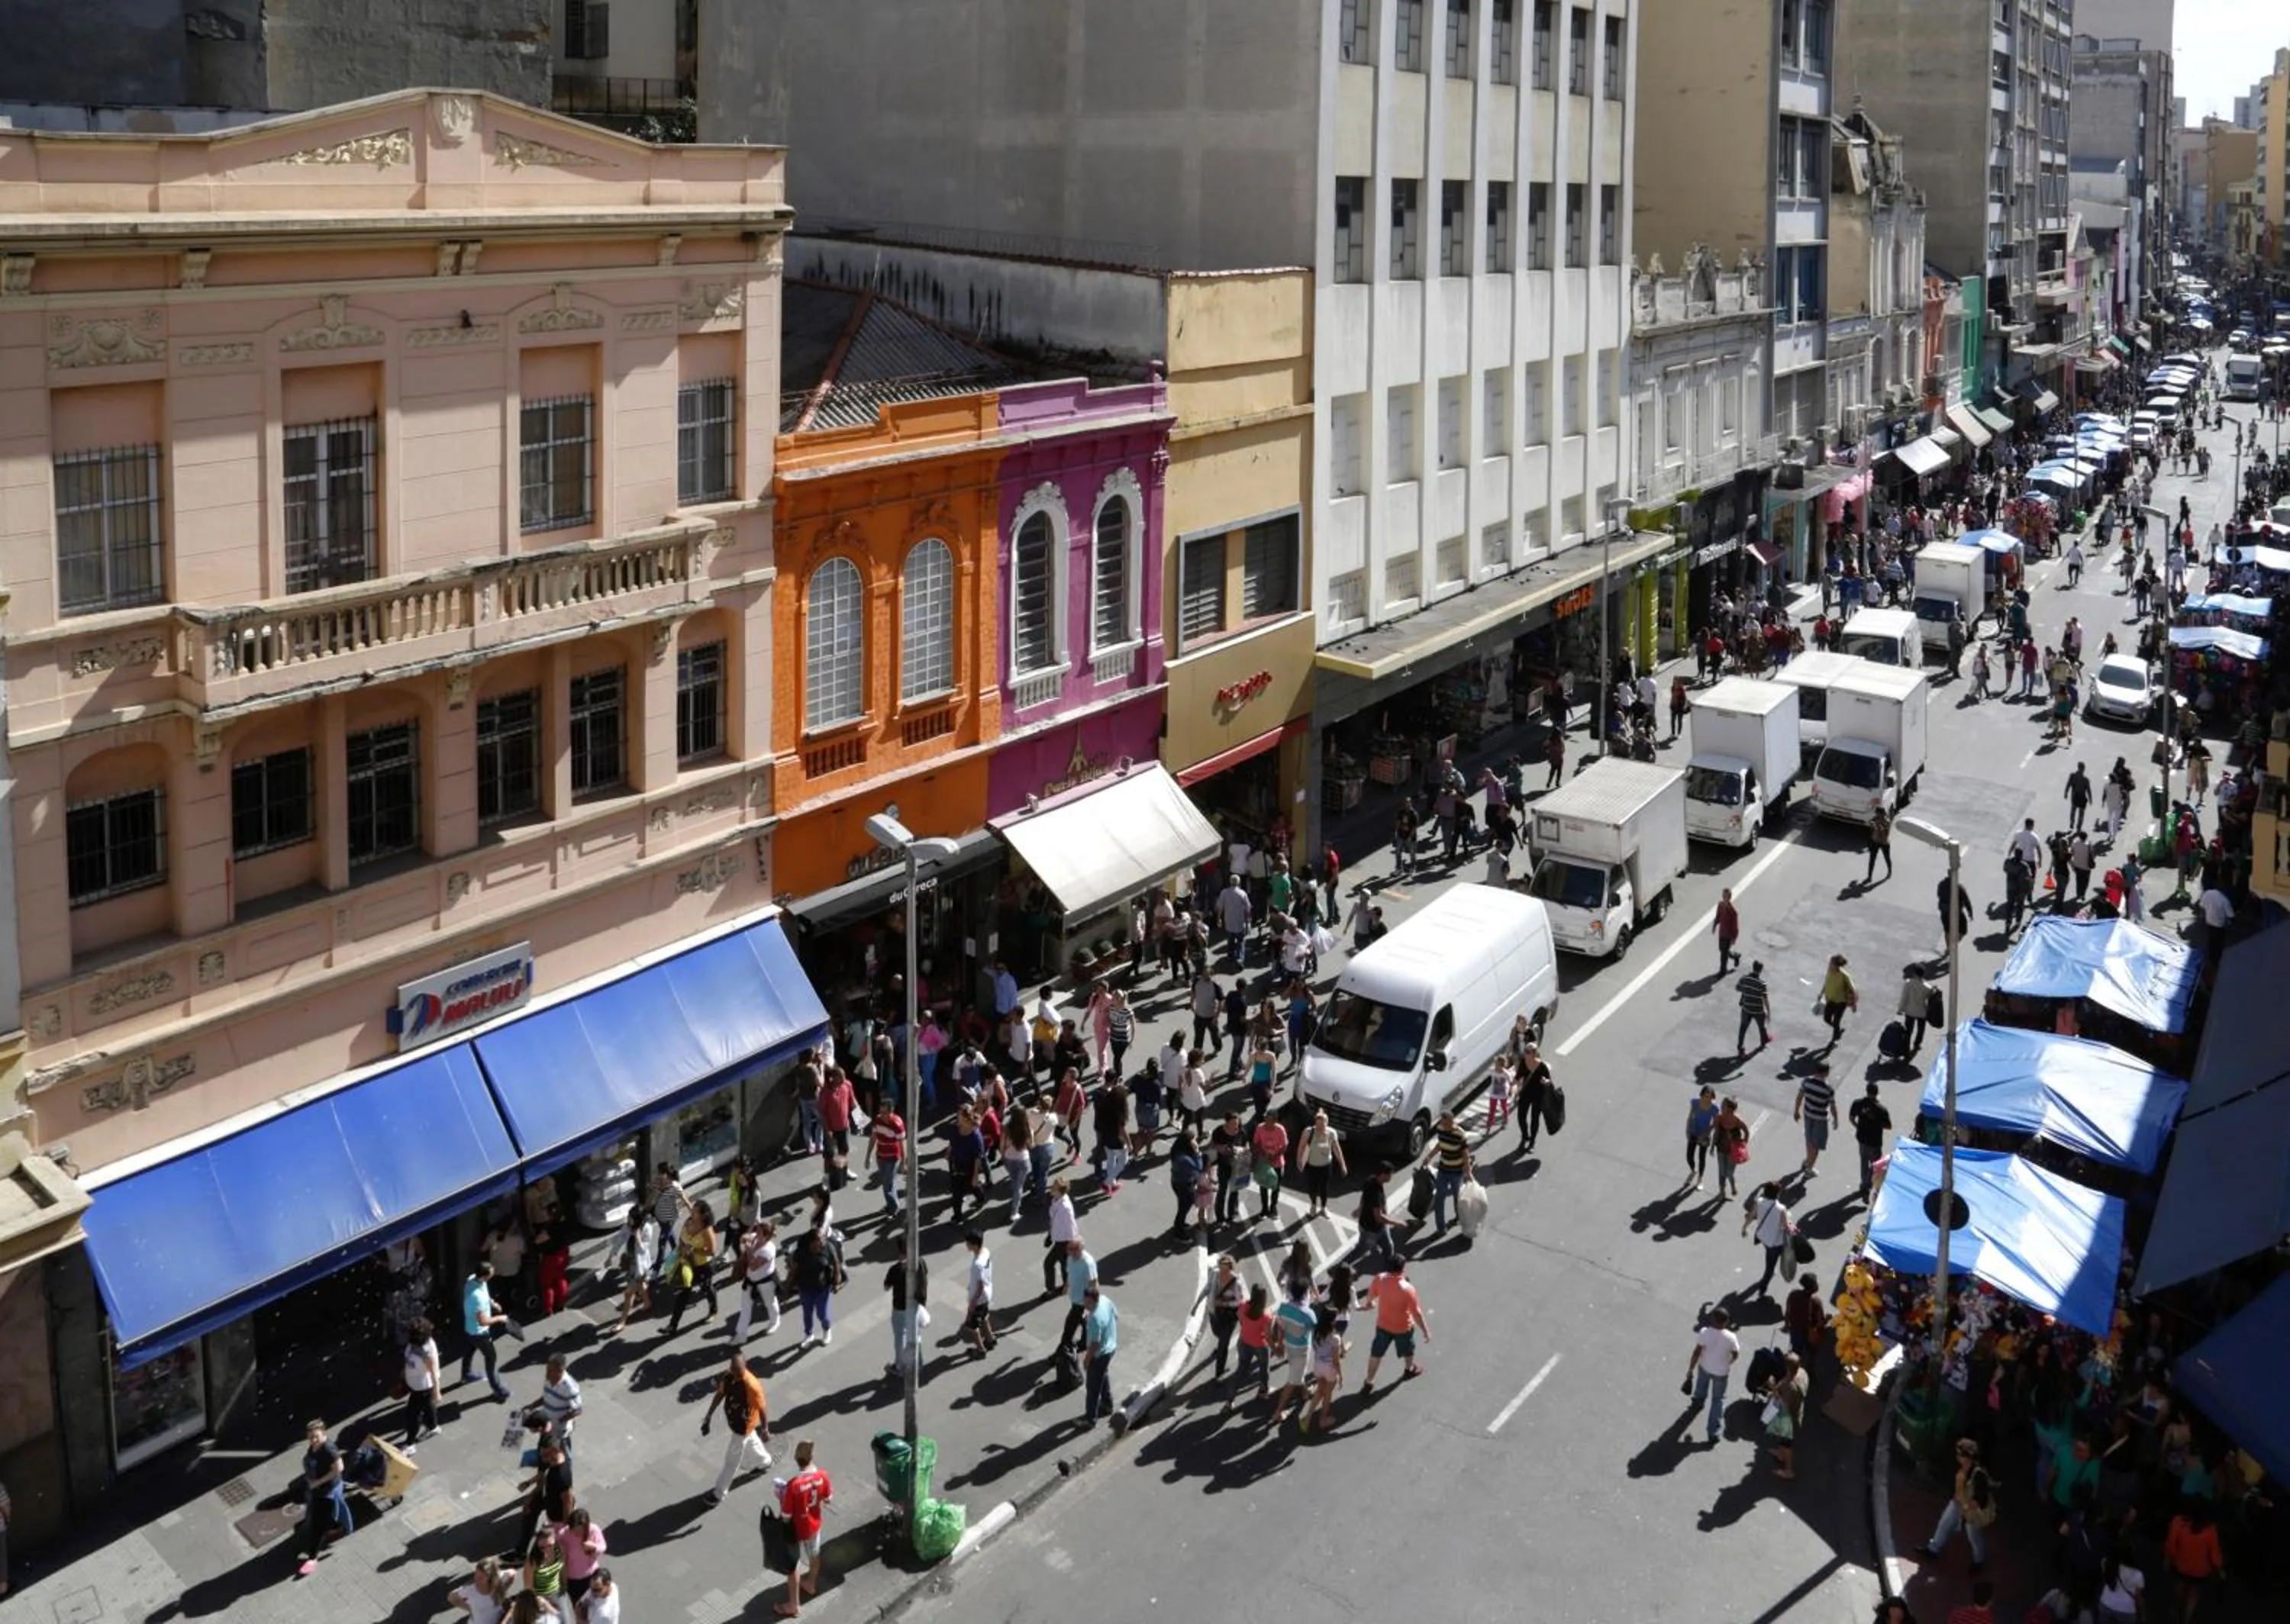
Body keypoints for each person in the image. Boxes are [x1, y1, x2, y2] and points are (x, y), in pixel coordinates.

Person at [700, 1352, 772, 1503]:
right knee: (752, 1440)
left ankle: (719, 1494)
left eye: (738, 1372)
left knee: (731, 1461)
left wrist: (765, 1429)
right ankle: (765, 1461)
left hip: (743, 1426)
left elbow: (762, 1408)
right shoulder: (728, 1376)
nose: (736, 1375)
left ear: (745, 1367)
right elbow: (720, 1394)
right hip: (736, 1422)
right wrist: (708, 1416)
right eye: (733, 1371)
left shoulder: (752, 1386)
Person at [1919, 1439, 1997, 1568]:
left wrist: (1966, 1508)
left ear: (1968, 1457)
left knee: (1974, 1537)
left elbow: (1981, 1500)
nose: (1957, 1457)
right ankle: (1933, 1550)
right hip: (1958, 1502)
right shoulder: (1962, 1468)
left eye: (1960, 1454)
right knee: (1944, 1523)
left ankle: (1979, 1560)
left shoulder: (1978, 1475)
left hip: (1971, 1511)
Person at [294, 1418, 353, 1577]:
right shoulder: (316, 1445)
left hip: (327, 1491)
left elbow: (340, 1467)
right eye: (310, 1436)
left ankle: (313, 1558)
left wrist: (318, 1482)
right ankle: (335, 1527)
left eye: (316, 1436)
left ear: (324, 1434)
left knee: (318, 1527)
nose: (313, 1440)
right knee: (321, 1517)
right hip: (317, 1489)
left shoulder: (329, 1449)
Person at [1363, 1256, 1431, 1386]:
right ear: (1403, 1268)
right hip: (1403, 1328)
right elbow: (1416, 1313)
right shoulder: (1408, 1289)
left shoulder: (1380, 1278)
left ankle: (1369, 1381)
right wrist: (1425, 1331)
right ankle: (1409, 1369)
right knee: (1408, 1350)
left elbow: (1371, 1295)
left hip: (1383, 1325)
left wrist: (1370, 1303)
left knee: (1376, 1353)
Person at [460, 1261, 514, 1403]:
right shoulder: (477, 1298)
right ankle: (498, 1390)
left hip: (469, 1328)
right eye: (492, 1271)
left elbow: (485, 1292)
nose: (494, 1271)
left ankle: (466, 1375)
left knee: (469, 1350)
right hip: (480, 1333)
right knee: (491, 1359)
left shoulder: (473, 1279)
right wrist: (500, 1318)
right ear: (484, 1276)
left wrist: (492, 1303)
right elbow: (483, 1321)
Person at [1685, 1307, 1740, 1446]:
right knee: (1718, 1400)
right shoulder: (1731, 1337)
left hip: (1705, 1367)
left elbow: (1697, 1352)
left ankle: (1697, 1403)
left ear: (1713, 1319)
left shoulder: (1705, 1332)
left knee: (1701, 1385)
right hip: (1721, 1372)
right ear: (1726, 1322)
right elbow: (1735, 1354)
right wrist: (1728, 1363)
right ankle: (1713, 1433)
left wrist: (1690, 1369)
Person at [1741, 1181, 1794, 1297]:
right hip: (1776, 1242)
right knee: (1770, 1268)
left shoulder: (1759, 1202)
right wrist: (1791, 1224)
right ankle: (1762, 1287)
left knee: (1770, 1261)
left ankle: (1771, 1272)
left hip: (1764, 1238)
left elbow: (1751, 1216)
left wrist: (1744, 1228)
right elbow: (1787, 1227)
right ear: (1778, 1194)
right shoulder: (1781, 1208)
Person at [883, 1244, 927, 1378]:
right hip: (915, 1306)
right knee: (915, 1334)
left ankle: (900, 1366)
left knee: (900, 1338)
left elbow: (886, 1286)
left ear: (901, 1253)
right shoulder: (920, 1262)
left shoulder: (896, 1269)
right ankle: (918, 1363)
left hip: (900, 1308)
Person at [1080, 1281, 1121, 1426]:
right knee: (1102, 1375)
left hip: (1100, 1354)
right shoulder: (1105, 1300)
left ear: (1093, 1300)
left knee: (1092, 1388)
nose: (1084, 1304)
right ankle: (1107, 1404)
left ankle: (1090, 1419)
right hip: (1111, 1347)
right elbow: (1115, 1316)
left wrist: (1086, 1360)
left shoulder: (1094, 1319)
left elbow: (1095, 1344)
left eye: (1087, 1302)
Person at [1763, 1351, 1807, 1480]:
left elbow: (1784, 1405)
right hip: (1797, 1413)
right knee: (1782, 1440)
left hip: (1788, 1420)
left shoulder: (1790, 1386)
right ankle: (1780, 1453)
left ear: (1787, 1368)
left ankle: (1789, 1470)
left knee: (1788, 1444)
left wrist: (1773, 1388)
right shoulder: (1802, 1374)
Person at [1849, 1081, 1893, 1202]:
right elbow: (1889, 1126)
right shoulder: (1881, 1109)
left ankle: (1864, 1184)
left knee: (1864, 1162)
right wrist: (1876, 1120)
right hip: (1875, 1142)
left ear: (1867, 1091)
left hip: (1862, 1139)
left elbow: (1851, 1117)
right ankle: (1872, 1185)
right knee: (1876, 1165)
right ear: (1877, 1093)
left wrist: (1858, 1127)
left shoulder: (1858, 1103)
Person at [1793, 1061, 1837, 1179]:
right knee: (1816, 1144)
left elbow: (1800, 1097)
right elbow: (1832, 1106)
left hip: (1808, 1114)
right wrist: (1836, 1118)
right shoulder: (1828, 1089)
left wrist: (1796, 1111)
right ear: (1826, 1072)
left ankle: (1808, 1160)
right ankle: (1809, 1168)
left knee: (1809, 1139)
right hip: (1820, 1118)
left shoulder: (1807, 1082)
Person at [402, 1315, 441, 1444]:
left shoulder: (426, 1352)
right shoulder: (413, 1344)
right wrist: (404, 1372)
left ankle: (410, 1444)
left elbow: (434, 1372)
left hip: (422, 1388)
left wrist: (437, 1391)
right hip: (415, 1385)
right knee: (428, 1406)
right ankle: (433, 1427)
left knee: (412, 1416)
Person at [961, 1229, 997, 1355]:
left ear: (975, 1245)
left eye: (968, 1243)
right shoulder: (985, 1252)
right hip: (988, 1293)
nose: (966, 1245)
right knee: (985, 1317)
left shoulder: (977, 1265)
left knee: (972, 1327)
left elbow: (980, 1286)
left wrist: (972, 1303)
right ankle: (990, 1339)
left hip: (979, 1298)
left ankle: (981, 1350)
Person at [1783, 1272, 1827, 1363]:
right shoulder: (1816, 1301)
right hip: (1809, 1334)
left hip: (1795, 1331)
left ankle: (1794, 1368)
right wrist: (1828, 1319)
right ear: (1814, 1287)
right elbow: (1820, 1322)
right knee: (1811, 1353)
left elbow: (1788, 1312)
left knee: (1796, 1352)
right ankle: (1809, 1370)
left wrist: (1787, 1326)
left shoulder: (1793, 1294)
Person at [1818, 954, 1857, 1048]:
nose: (1829, 964)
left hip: (1841, 1002)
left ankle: (1834, 1040)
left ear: (1836, 966)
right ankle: (1838, 1031)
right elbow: (1826, 982)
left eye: (1831, 963)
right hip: (1831, 1000)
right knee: (1826, 1018)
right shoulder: (1830, 971)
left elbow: (1853, 990)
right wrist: (1821, 993)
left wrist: (1853, 1004)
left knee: (1836, 1022)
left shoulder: (1844, 976)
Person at [1737, 959, 1772, 1055]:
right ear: (1760, 970)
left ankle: (1741, 1049)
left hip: (1746, 1008)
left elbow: (1737, 988)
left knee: (1743, 1028)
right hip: (1758, 1010)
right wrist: (1768, 1013)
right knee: (1761, 1026)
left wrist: (1747, 990)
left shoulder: (1744, 978)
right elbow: (1765, 999)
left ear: (1753, 968)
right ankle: (1763, 1041)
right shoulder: (1762, 984)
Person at [1713, 887, 1740, 975]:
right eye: (1723, 896)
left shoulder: (1733, 912)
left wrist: (1734, 939)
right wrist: (1714, 925)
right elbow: (1718, 916)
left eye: (1726, 896)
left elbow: (1735, 927)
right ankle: (1735, 956)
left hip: (1728, 935)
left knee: (1723, 955)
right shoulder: (1720, 905)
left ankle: (1722, 971)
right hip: (1722, 933)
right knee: (1722, 950)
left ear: (1729, 898)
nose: (1724, 898)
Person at [1866, 806, 1894, 884]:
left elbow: (1885, 831)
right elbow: (1870, 822)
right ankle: (1869, 876)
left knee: (1887, 858)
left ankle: (1889, 871)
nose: (1877, 815)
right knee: (1872, 860)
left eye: (1878, 813)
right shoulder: (1875, 818)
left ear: (1882, 814)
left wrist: (1877, 826)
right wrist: (1872, 823)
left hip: (1884, 843)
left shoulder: (1886, 821)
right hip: (1875, 841)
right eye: (1876, 814)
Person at [2066, 762, 2092, 832]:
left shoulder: (2073, 776)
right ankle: (2078, 826)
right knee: (2079, 813)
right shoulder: (2085, 779)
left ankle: (2073, 824)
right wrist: (2090, 799)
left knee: (2074, 811)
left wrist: (2066, 792)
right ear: (2083, 769)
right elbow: (2088, 790)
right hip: (2081, 797)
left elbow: (2068, 785)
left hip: (2075, 796)